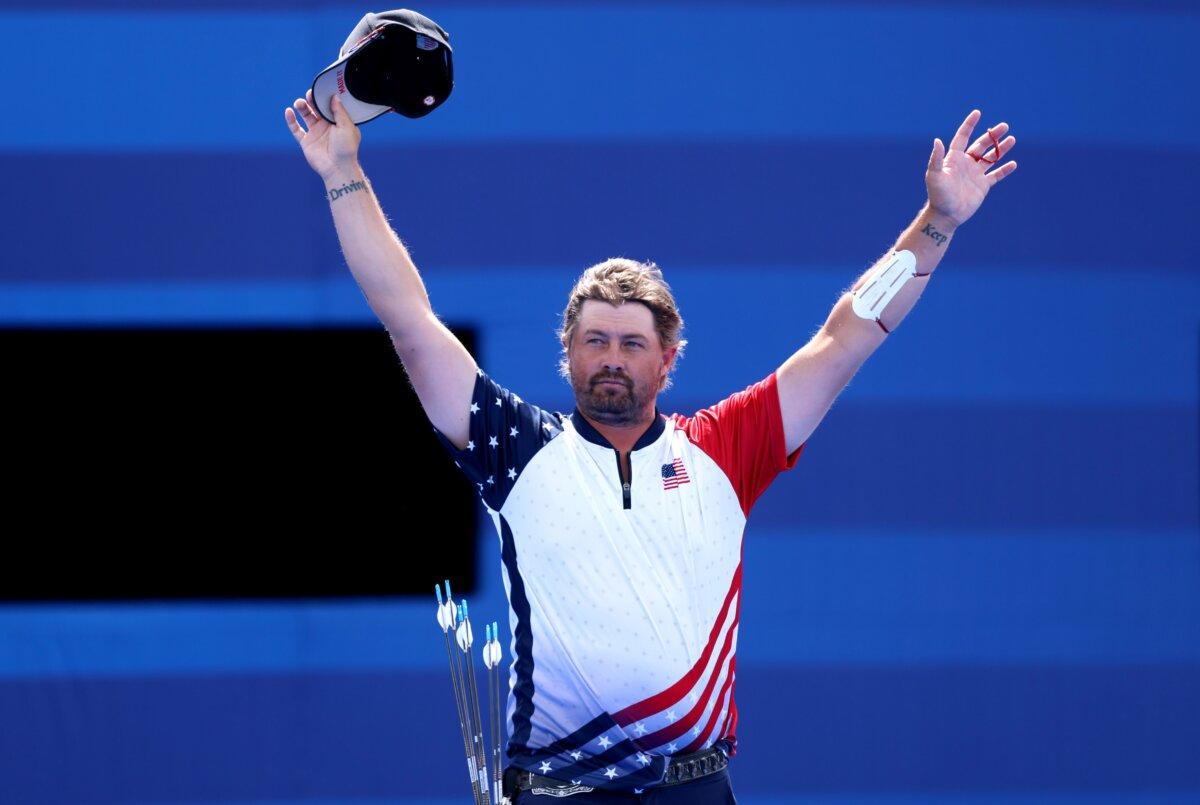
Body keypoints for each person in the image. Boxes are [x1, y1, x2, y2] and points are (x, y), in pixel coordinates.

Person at [285, 90, 1017, 803]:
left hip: (694, 791)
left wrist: (938, 221)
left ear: (668, 359)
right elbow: (408, 319)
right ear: (566, 354)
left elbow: (848, 334)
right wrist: (343, 168)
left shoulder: (729, 447)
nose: (612, 357)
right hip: (558, 790)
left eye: (633, 343)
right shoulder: (517, 450)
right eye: (595, 341)